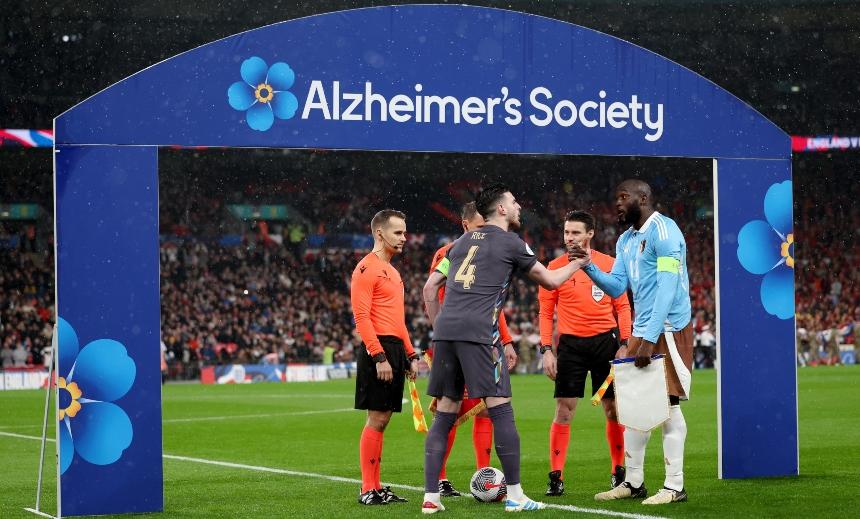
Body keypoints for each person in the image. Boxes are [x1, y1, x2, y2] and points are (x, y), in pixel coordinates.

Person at [421, 184, 588, 514]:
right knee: (501, 410)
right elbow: (551, 281)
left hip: (446, 335)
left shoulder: (458, 244)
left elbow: (430, 288)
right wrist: (578, 264)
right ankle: (515, 496)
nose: (518, 206)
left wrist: (440, 327)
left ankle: (430, 498)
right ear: (500, 209)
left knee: (445, 414)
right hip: (481, 335)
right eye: (513, 202)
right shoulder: (512, 242)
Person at [570, 179, 693, 505]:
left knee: (669, 405)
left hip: (668, 328)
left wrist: (649, 338)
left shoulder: (665, 231)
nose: (618, 203)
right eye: (616, 198)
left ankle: (675, 486)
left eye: (623, 197)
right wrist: (588, 265)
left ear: (644, 197)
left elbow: (668, 288)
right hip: (644, 329)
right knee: (637, 406)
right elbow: (616, 286)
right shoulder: (626, 240)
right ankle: (633, 482)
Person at [424, 202, 518, 498]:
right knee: (450, 409)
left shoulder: (485, 250)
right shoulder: (450, 251)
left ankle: (484, 474)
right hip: (461, 340)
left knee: (483, 409)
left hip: (472, 337)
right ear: (465, 225)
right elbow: (435, 293)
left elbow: (491, 305)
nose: (486, 232)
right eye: (479, 227)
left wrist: (506, 340)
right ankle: (440, 479)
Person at [538, 210, 632, 496]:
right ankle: (556, 476)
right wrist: (546, 350)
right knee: (564, 409)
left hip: (606, 343)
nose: (570, 238)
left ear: (590, 233)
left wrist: (625, 342)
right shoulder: (554, 268)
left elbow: (622, 306)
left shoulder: (609, 264)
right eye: (567, 232)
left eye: (576, 232)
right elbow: (545, 312)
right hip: (570, 346)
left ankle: (618, 472)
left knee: (613, 409)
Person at [350, 209, 420, 506]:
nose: (404, 238)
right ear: (380, 233)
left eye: (404, 232)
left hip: (394, 347)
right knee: (377, 417)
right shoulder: (366, 268)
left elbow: (398, 320)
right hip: (377, 348)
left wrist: (410, 354)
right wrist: (379, 356)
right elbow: (362, 317)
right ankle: (368, 488)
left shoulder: (393, 271)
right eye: (398, 232)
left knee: (384, 419)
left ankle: (376, 487)